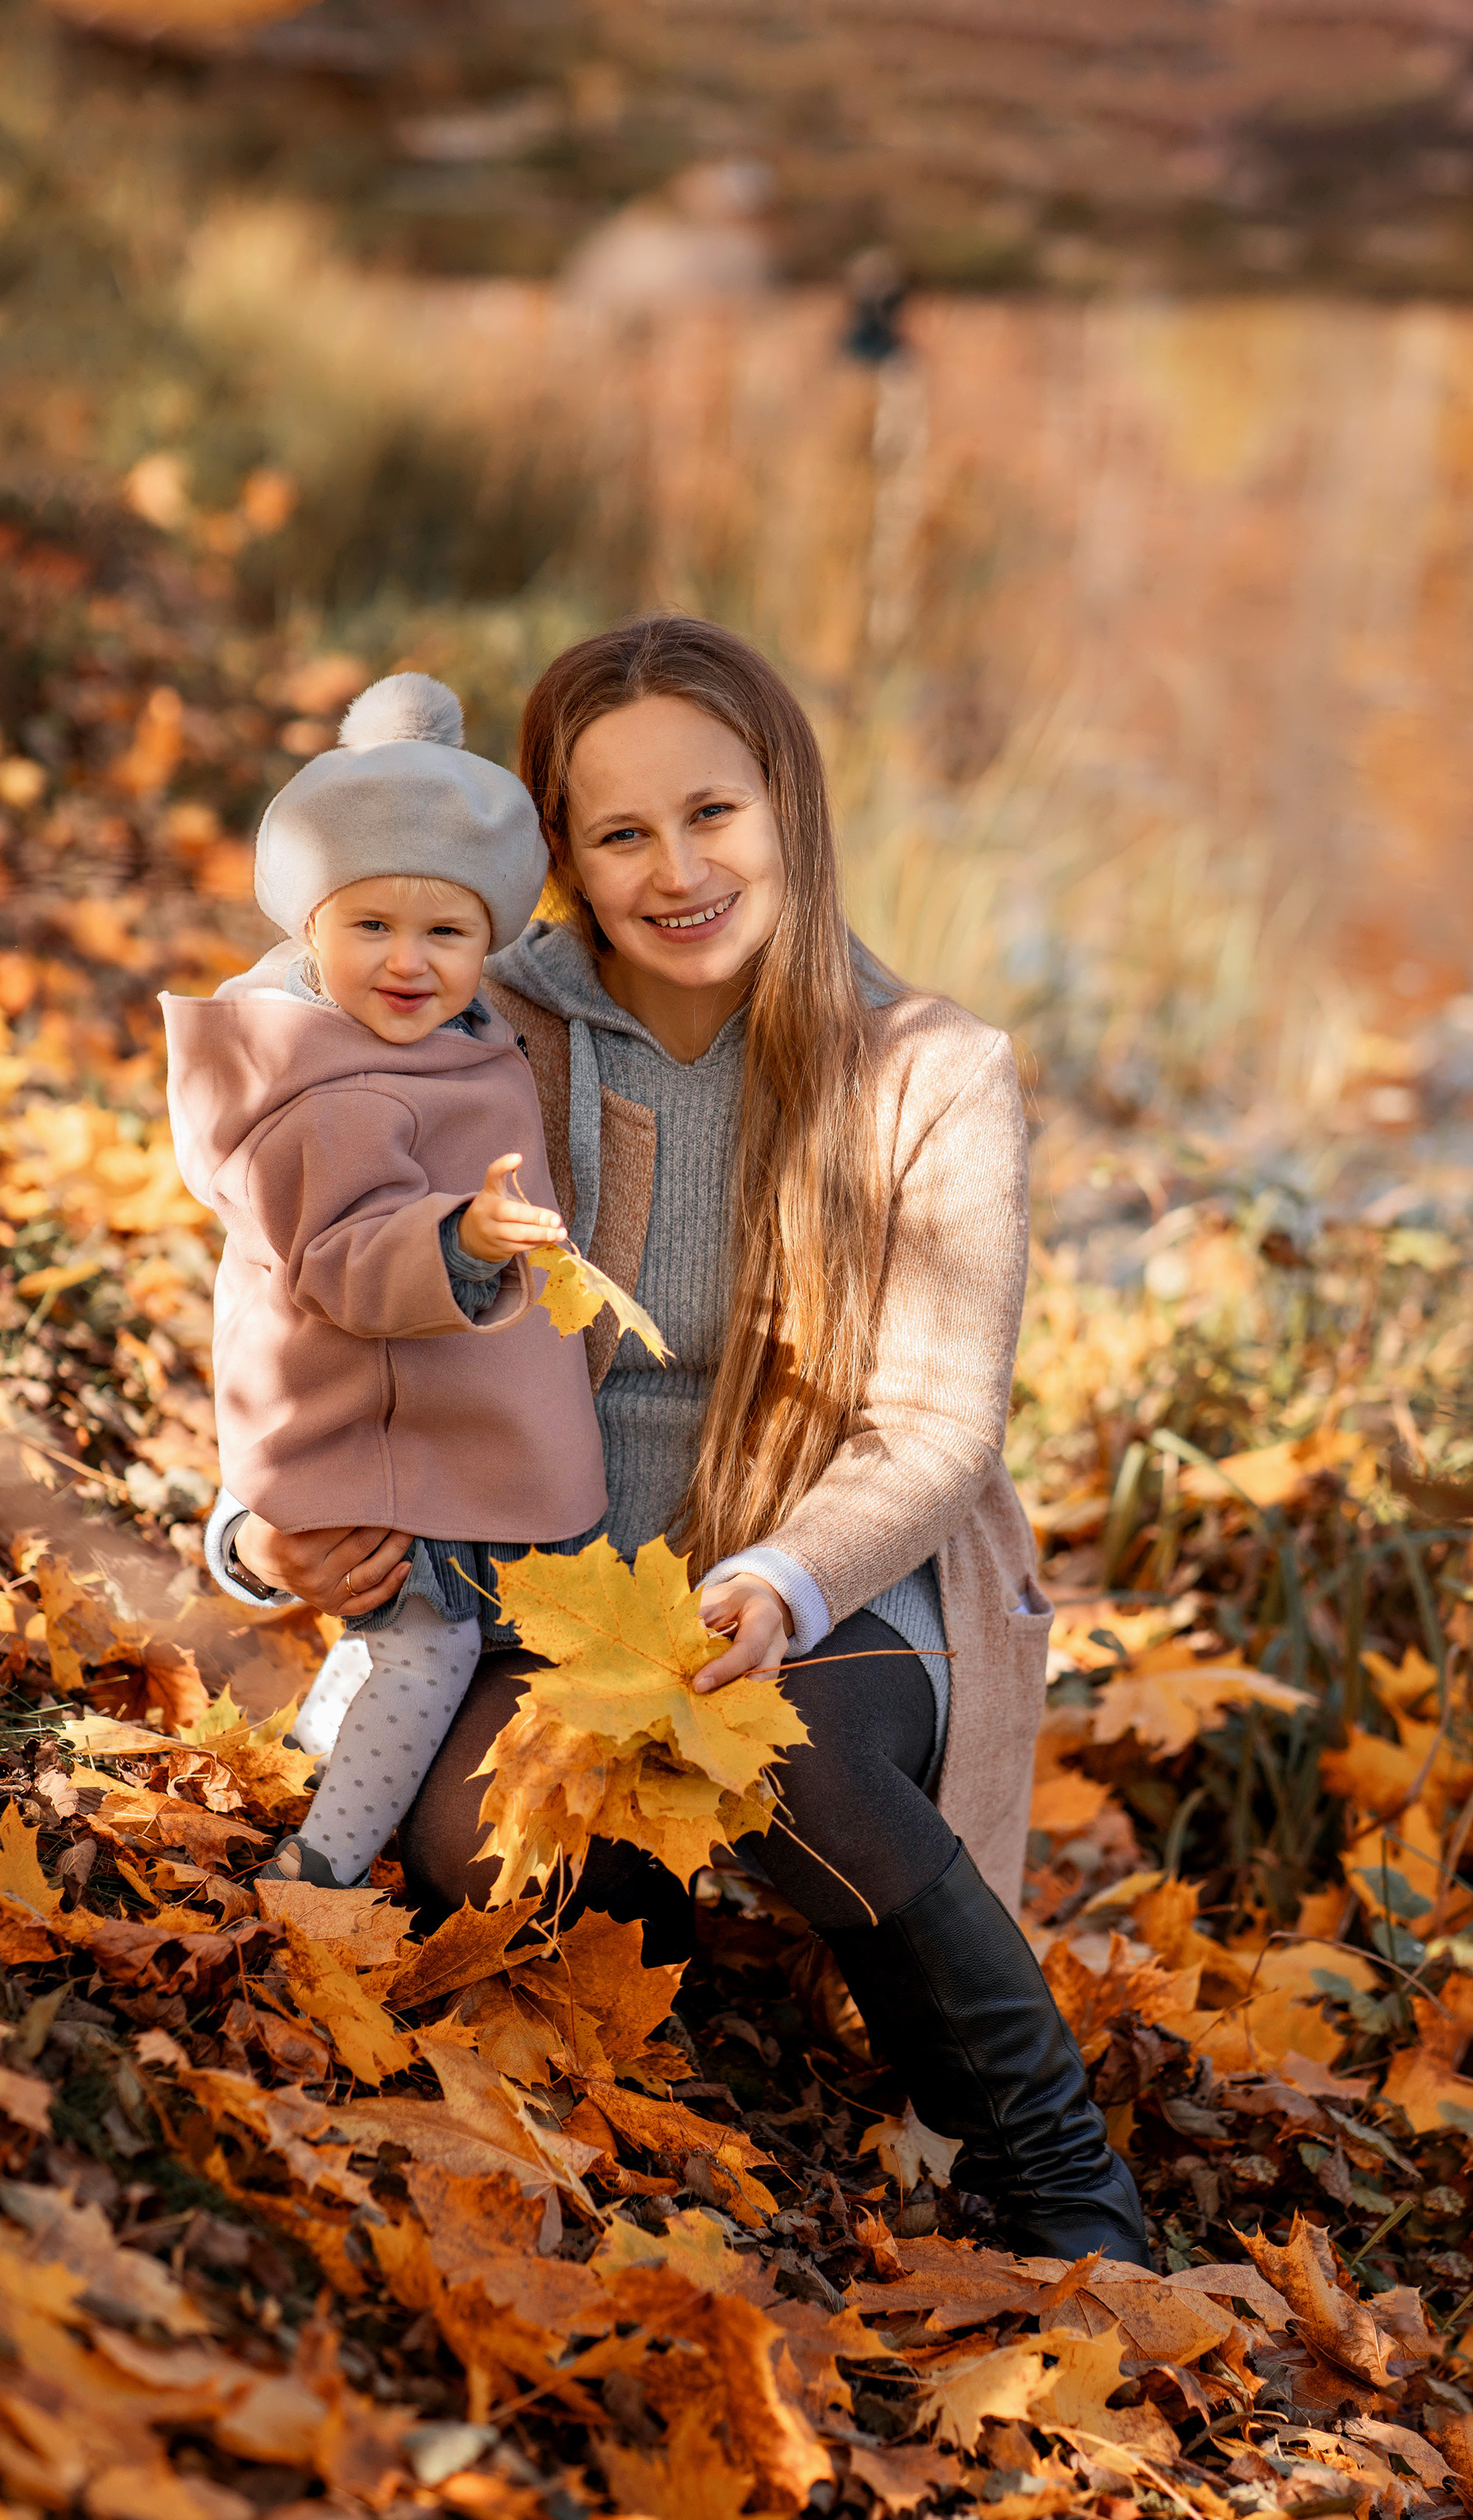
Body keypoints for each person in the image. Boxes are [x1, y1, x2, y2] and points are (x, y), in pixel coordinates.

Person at [207, 617, 1149, 2264]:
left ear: (786, 801)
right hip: (543, 1584)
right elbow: (292, 1260)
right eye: (618, 830)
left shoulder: (931, 1071)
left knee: (787, 1745)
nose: (676, 869)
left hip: (836, 1580)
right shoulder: (469, 1013)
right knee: (487, 1844)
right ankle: (677, 2087)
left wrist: (785, 1576)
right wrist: (254, 1531)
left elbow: (933, 1422)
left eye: (711, 812)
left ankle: (1054, 2166)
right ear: (553, 852)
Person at [169, 672, 606, 1887]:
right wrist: (459, 1239)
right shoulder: (344, 1084)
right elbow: (350, 1257)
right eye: (371, 928)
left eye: (447, 933)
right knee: (424, 1642)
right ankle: (315, 1869)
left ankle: (300, 1790)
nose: (409, 964)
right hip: (387, 1437)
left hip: (416, 1423)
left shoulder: (434, 1040)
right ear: (308, 928)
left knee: (393, 1638)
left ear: (492, 943)